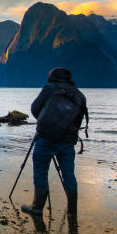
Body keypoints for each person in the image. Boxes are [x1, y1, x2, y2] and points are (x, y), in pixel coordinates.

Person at [21, 67, 88, 218]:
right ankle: (72, 212)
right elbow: (78, 120)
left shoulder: (50, 89)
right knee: (69, 175)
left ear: (52, 77)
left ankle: (37, 207)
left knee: (40, 171)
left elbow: (34, 109)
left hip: (45, 137)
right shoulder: (79, 95)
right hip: (67, 141)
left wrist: (48, 123)